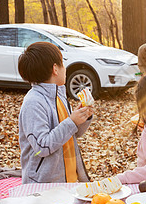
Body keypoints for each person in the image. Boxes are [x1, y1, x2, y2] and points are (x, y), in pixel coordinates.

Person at [18, 42, 93, 184]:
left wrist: (83, 117)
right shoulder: (33, 102)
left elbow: (71, 133)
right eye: (62, 64)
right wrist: (71, 121)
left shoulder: (59, 95)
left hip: (69, 180)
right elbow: (42, 147)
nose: (65, 68)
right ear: (55, 69)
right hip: (43, 185)